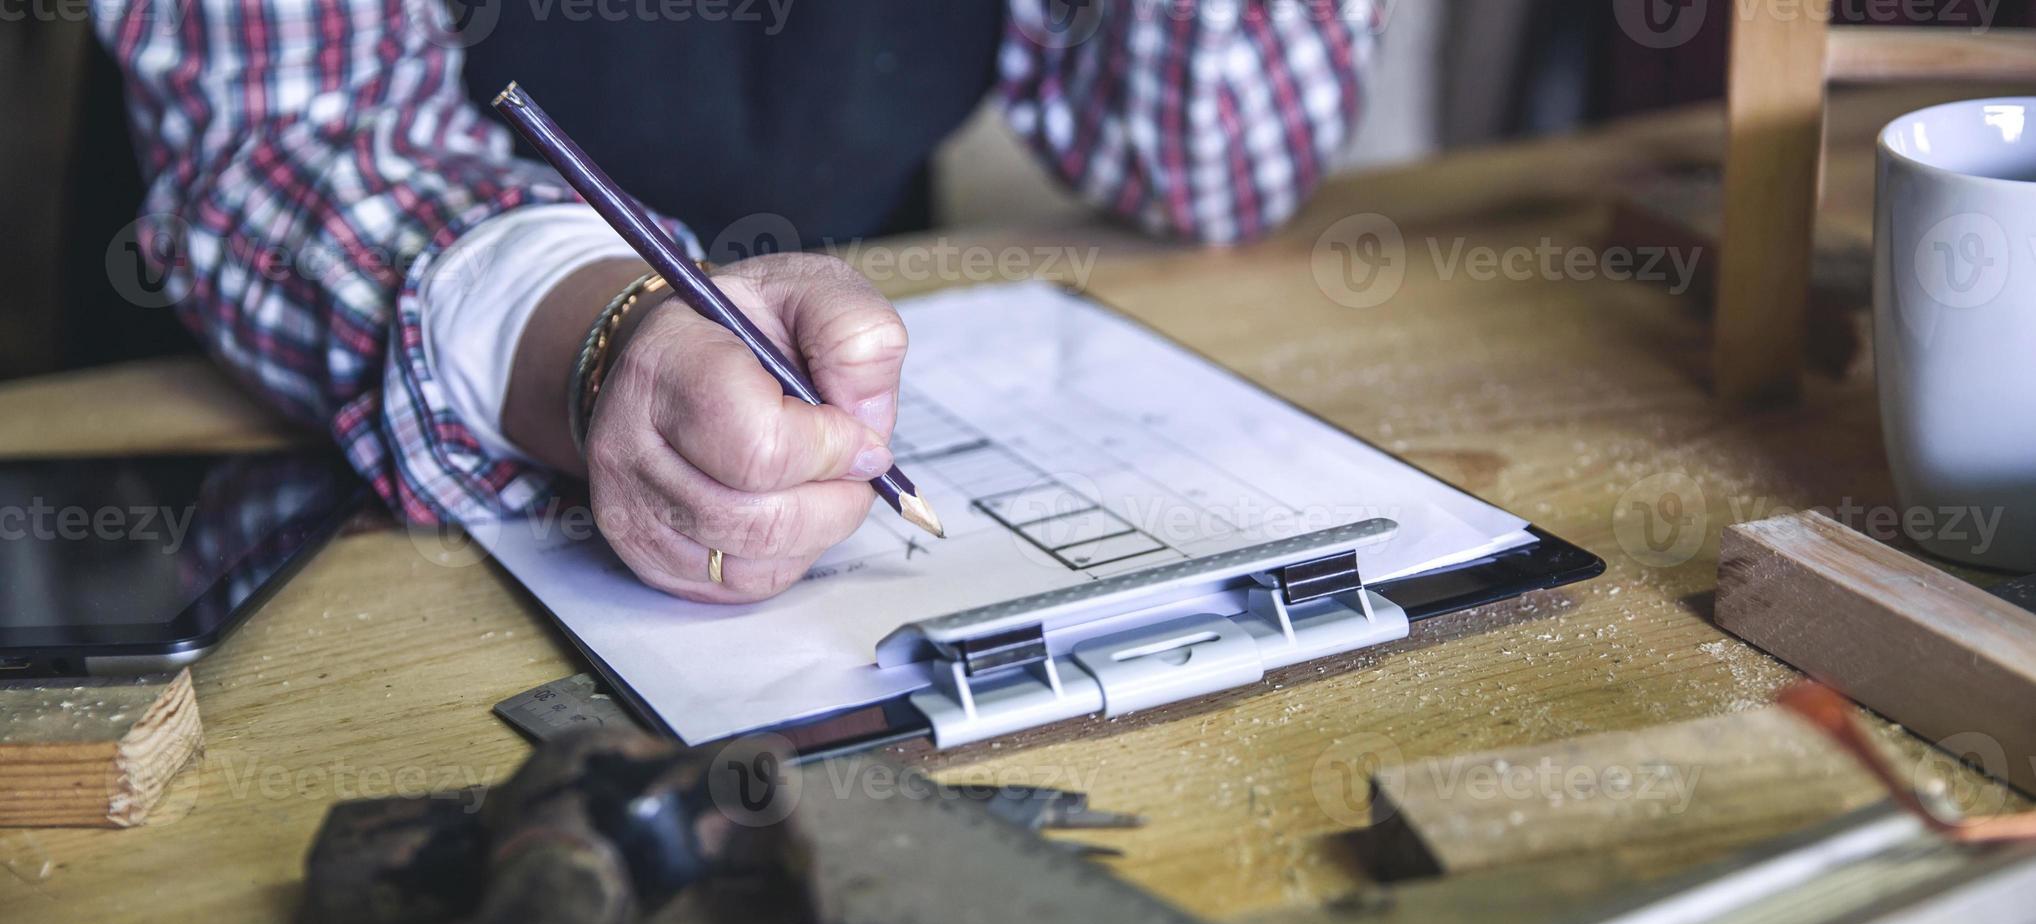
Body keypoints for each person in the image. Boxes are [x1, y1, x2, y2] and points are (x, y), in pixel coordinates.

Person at [94, 0, 1378, 602]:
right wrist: (608, 339)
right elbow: (279, 129)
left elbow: (1206, 154)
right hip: (248, 489)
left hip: (835, 342)